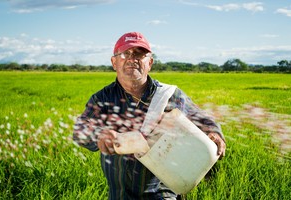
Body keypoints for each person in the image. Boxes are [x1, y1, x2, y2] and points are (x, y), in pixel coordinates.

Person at [73, 32, 226, 200]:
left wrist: (214, 132)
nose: (132, 58)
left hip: (163, 193)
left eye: (139, 54)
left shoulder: (169, 95)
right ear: (114, 62)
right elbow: (80, 131)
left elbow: (201, 118)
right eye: (125, 54)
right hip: (119, 194)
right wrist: (98, 135)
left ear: (150, 63)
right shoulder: (102, 98)